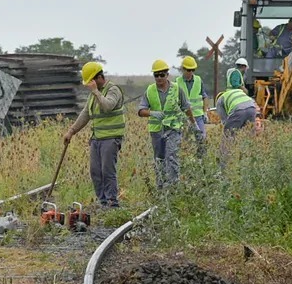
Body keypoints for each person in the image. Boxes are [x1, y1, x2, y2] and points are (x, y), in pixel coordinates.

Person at [63, 62, 126, 208]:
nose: (88, 85)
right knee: (95, 171)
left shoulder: (113, 90)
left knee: (107, 171)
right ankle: (102, 201)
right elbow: (85, 113)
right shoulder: (93, 95)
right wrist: (71, 131)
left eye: (91, 81)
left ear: (98, 77)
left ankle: (112, 202)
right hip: (96, 138)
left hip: (111, 138)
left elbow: (108, 106)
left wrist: (96, 92)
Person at [138, 59, 199, 189]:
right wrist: (152, 113)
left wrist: (194, 125)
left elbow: (186, 108)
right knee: (159, 159)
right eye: (156, 75)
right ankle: (161, 187)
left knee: (172, 157)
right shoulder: (150, 90)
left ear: (167, 75)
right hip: (156, 130)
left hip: (173, 129)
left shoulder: (177, 89)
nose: (159, 78)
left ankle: (173, 187)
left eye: (162, 75)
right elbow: (140, 110)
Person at [177, 56, 209, 145]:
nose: (190, 72)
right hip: (184, 117)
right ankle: (186, 158)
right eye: (188, 70)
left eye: (192, 70)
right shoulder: (177, 82)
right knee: (184, 141)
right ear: (183, 69)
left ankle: (200, 158)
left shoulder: (198, 80)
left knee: (201, 139)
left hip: (198, 116)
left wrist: (205, 112)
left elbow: (205, 96)